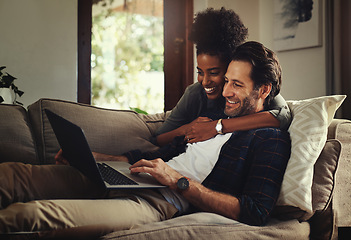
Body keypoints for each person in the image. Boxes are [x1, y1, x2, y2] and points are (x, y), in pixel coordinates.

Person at [0, 41, 290, 234]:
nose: (225, 91)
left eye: (236, 84)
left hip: (159, 201)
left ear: (263, 90)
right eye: (226, 80)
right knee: (12, 175)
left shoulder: (268, 139)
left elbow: (256, 210)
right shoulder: (213, 119)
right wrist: (99, 158)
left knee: (31, 215)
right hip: (135, 174)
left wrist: (178, 181)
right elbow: (161, 154)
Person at [156, 7, 291, 146]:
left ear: (230, 67)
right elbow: (159, 138)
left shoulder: (257, 92)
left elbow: (282, 117)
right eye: (200, 72)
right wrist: (188, 129)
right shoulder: (195, 94)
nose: (205, 82)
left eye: (214, 73)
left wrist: (216, 127)